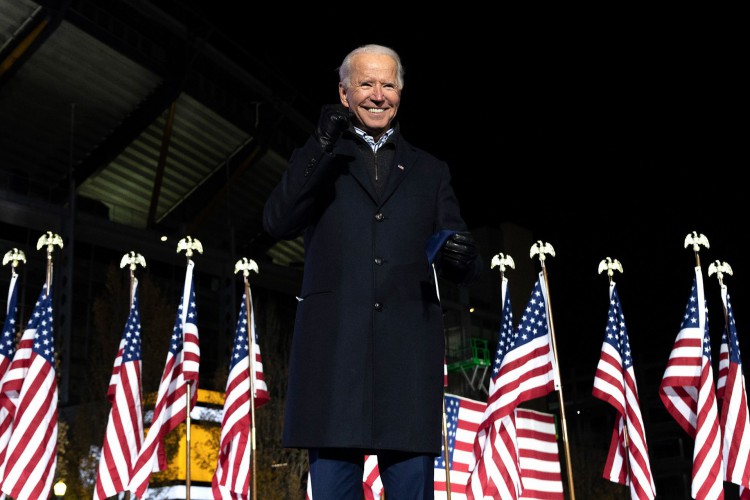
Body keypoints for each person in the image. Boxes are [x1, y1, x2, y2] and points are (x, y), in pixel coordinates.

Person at [263, 43, 482, 499]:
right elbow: (276, 221)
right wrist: (320, 144)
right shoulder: (319, 157)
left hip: (408, 366)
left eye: (388, 84)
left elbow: (462, 257)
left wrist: (462, 256)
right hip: (334, 363)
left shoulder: (430, 170)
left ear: (400, 93)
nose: (378, 95)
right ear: (344, 94)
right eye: (366, 84)